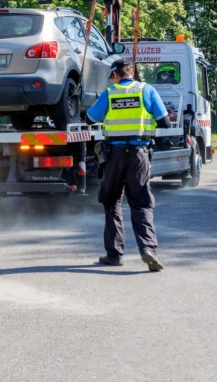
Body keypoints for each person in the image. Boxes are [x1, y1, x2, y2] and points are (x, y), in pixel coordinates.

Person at [86, 59, 172, 272]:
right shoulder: (147, 90)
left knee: (112, 201)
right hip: (139, 154)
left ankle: (114, 255)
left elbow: (89, 119)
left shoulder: (110, 93)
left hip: (114, 155)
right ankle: (149, 250)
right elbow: (165, 122)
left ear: (115, 75)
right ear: (132, 73)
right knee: (141, 202)